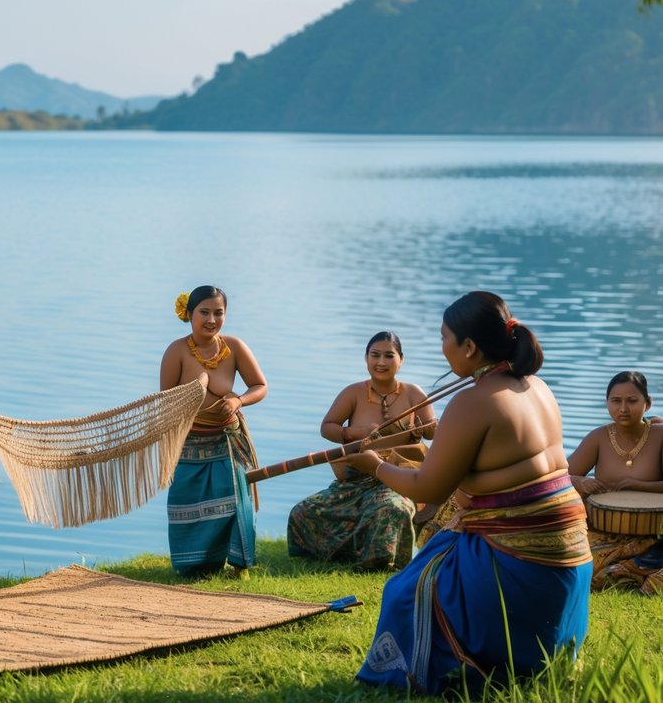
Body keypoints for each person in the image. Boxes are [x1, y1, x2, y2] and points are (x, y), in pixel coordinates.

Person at [345, 292, 591, 694]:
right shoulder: (537, 386)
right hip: (569, 566)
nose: (442, 348)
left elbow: (429, 487)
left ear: (470, 347)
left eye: (445, 338)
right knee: (440, 547)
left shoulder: (472, 402)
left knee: (405, 590)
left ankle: (444, 668)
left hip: (523, 567)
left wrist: (374, 465)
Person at [287, 332, 435, 571]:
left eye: (389, 355)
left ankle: (379, 563)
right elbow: (327, 427)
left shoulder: (414, 394)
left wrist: (427, 426)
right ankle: (340, 555)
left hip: (395, 479)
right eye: (375, 355)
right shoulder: (353, 392)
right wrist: (355, 433)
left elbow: (431, 432)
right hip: (355, 480)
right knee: (304, 511)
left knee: (390, 509)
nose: (381, 362)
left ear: (401, 360)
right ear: (366, 358)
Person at [160, 286, 267, 577]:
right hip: (190, 442)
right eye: (204, 312)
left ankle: (238, 566)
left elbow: (260, 386)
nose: (211, 319)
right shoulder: (177, 351)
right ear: (190, 315)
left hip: (229, 439)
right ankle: (194, 566)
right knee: (188, 503)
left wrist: (237, 400)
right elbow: (166, 401)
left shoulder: (234, 347)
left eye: (218, 313)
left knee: (234, 499)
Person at [567, 371, 663, 592]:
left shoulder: (659, 435)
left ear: (647, 404)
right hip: (606, 532)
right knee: (582, 569)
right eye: (616, 401)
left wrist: (636, 485)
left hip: (654, 532)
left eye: (632, 401)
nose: (623, 409)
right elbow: (560, 476)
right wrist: (580, 482)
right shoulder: (599, 437)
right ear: (607, 403)